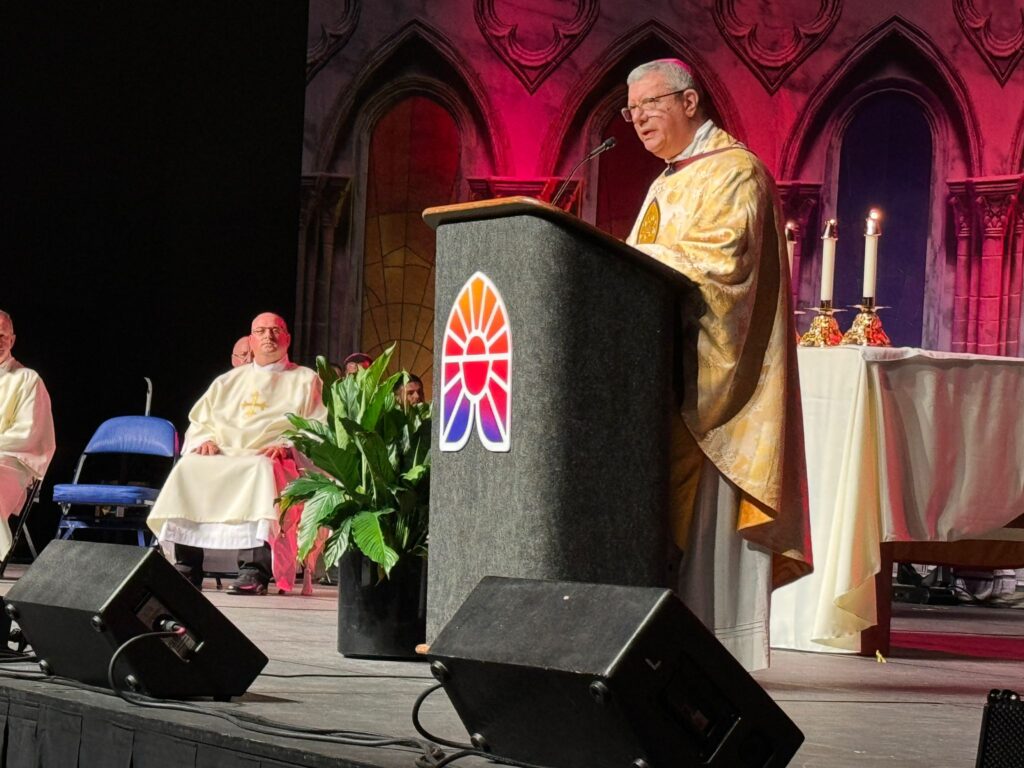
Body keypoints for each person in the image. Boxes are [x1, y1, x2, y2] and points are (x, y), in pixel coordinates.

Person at [623, 59, 811, 670]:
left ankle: (717, 654)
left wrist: (640, 269)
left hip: (717, 392)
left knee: (710, 533)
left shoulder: (737, 172)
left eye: (650, 105)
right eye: (631, 111)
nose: (638, 120)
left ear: (691, 101)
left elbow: (723, 265)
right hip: (664, 374)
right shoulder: (665, 183)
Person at [147, 312, 326, 595]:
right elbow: (201, 421)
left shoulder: (305, 379)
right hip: (225, 452)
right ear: (251, 340)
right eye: (261, 331)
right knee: (189, 466)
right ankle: (187, 565)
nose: (269, 336)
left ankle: (254, 569)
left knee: (259, 469)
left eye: (276, 330)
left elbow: (317, 425)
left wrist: (289, 446)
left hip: (270, 456)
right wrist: (204, 440)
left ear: (288, 339)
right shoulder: (227, 381)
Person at [0, 310, 55, 560]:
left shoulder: (27, 380)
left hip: (12, 462)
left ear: (11, 340)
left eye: (2, 335)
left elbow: (28, 434)